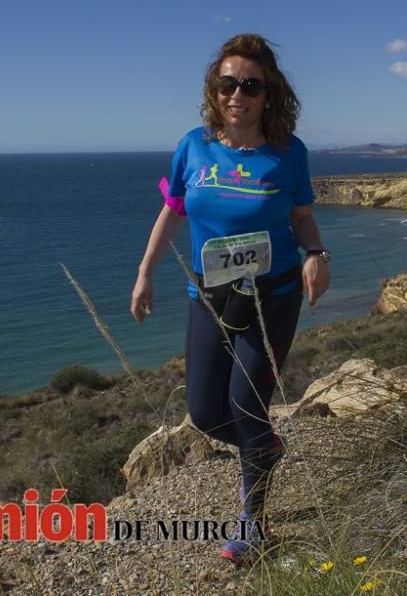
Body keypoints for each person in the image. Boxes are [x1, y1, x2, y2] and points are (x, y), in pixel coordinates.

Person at [130, 34, 329, 563]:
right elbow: (173, 212)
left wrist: (316, 254)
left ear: (269, 93)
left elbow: (303, 217)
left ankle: (252, 524)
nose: (236, 94)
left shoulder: (288, 154)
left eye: (250, 85)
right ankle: (265, 446)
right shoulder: (193, 146)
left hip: (273, 294)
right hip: (208, 296)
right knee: (203, 413)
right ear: (213, 90)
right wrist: (145, 272)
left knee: (246, 405)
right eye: (227, 84)